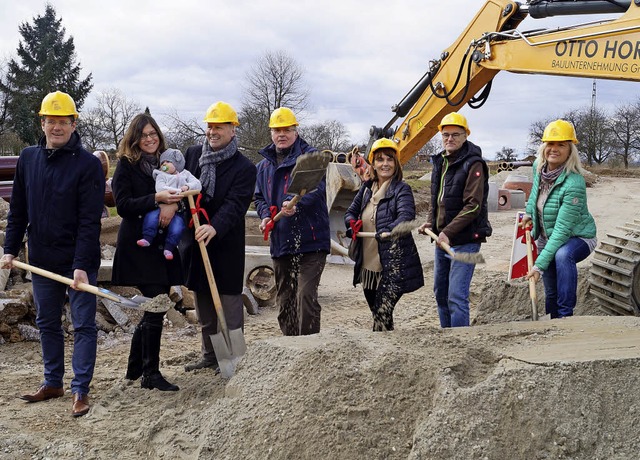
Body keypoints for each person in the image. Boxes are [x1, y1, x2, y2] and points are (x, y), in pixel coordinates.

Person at [1, 91, 105, 417]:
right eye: (51, 120)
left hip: (79, 262)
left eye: (63, 121)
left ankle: (80, 390)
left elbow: (91, 222)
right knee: (47, 322)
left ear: (73, 124)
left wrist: (80, 266)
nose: (56, 127)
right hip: (42, 258)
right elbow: (17, 210)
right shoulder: (28, 159)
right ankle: (53, 382)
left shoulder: (87, 165)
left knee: (83, 325)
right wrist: (9, 249)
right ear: (42, 122)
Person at [181, 101, 256, 372]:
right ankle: (211, 355)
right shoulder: (192, 156)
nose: (213, 131)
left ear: (232, 130)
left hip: (225, 244)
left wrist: (215, 227)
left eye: (220, 127)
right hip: (196, 243)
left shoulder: (244, 168)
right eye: (210, 126)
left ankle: (234, 356)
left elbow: (236, 204)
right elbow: (181, 187)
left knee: (229, 302)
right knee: (203, 304)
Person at [111, 113, 184, 391]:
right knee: (156, 306)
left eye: (153, 134)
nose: (150, 139)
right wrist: (156, 199)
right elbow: (124, 205)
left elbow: (181, 196)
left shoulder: (168, 165)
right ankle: (150, 373)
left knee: (156, 305)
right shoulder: (126, 167)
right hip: (138, 246)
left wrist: (172, 205)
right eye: (144, 135)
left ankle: (134, 366)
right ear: (135, 139)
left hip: (162, 246)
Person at [255, 107, 330, 336]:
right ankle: (290, 346)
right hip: (282, 241)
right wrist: (266, 214)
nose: (282, 134)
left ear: (296, 131)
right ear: (271, 133)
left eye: (287, 129)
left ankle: (309, 350)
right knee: (285, 301)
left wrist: (296, 203)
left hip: (311, 240)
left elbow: (317, 190)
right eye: (277, 130)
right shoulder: (264, 166)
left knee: (305, 297)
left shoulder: (310, 158)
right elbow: (259, 197)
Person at [418, 112, 491, 328]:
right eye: (445, 134)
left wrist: (447, 232)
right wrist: (431, 222)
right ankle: (446, 338)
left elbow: (474, 206)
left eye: (455, 135)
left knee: (456, 296)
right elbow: (436, 198)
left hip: (466, 240)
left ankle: (461, 341)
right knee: (441, 294)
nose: (450, 139)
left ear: (465, 135)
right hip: (443, 240)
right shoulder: (440, 162)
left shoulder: (473, 164)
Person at [344, 138, 423, 331]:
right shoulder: (366, 189)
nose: (385, 163)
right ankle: (387, 345)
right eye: (380, 159)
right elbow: (350, 212)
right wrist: (351, 223)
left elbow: (406, 216)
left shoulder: (401, 189)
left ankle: (383, 351)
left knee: (381, 312)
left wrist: (390, 229)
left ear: (396, 163)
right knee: (377, 313)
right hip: (369, 266)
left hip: (393, 265)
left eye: (389, 159)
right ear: (373, 163)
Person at [521, 119, 597, 319]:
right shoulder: (539, 166)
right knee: (550, 284)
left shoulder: (574, 183)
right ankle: (552, 319)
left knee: (562, 256)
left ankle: (565, 316)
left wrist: (538, 266)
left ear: (570, 150)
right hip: (548, 236)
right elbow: (534, 194)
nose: (554, 149)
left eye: (561, 144)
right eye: (550, 144)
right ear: (544, 146)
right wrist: (529, 214)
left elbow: (563, 231)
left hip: (577, 237)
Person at [137, 148, 201, 260]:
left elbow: (197, 184)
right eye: (162, 163)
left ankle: (169, 247)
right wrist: (173, 191)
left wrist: (188, 187)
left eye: (168, 162)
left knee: (178, 227)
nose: (164, 165)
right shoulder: (160, 175)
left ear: (177, 164)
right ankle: (147, 237)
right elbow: (160, 187)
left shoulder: (185, 174)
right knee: (151, 218)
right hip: (162, 204)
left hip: (178, 210)